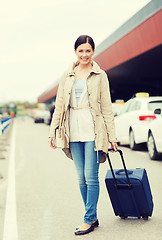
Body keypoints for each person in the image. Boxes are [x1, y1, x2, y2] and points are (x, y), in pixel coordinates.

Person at [49, 35, 118, 236]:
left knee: (91, 177)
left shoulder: (100, 75)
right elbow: (60, 105)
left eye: (88, 50)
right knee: (81, 178)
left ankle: (88, 219)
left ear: (93, 52)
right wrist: (52, 131)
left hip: (93, 129)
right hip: (72, 129)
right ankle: (93, 216)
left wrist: (112, 137)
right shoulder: (67, 75)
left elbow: (107, 107)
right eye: (81, 51)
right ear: (75, 52)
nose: (85, 54)